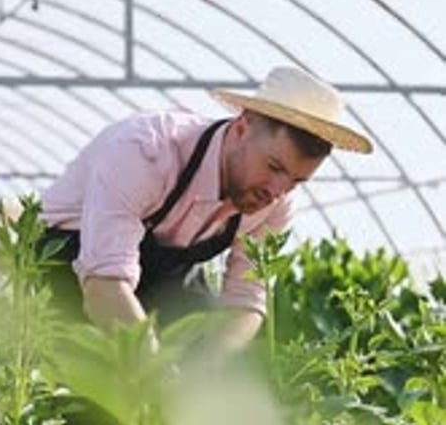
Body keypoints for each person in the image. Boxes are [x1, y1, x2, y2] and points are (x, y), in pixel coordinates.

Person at [39, 66, 372, 355]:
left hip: (166, 272)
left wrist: (205, 373)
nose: (276, 190)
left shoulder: (276, 201)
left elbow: (245, 302)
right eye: (272, 166)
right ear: (242, 128)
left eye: (297, 180)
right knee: (83, 387)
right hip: (71, 260)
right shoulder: (146, 152)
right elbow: (103, 285)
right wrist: (153, 369)